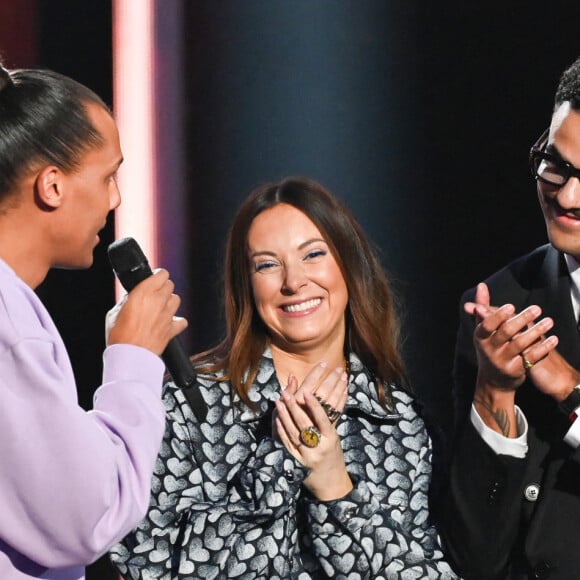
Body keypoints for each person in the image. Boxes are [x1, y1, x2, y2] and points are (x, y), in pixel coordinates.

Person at [110, 176, 458, 579]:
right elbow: (149, 565)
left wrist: (336, 489)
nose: (294, 282)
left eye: (313, 255)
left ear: (349, 264)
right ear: (247, 284)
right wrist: (282, 459)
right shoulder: (192, 406)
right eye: (268, 265)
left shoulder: (399, 419)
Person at [0, 62, 188, 579]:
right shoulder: (9, 324)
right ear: (52, 186)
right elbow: (85, 517)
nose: (116, 199)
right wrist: (132, 363)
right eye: (107, 176)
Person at [442, 56, 580, 579]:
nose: (567, 196)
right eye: (556, 164)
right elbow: (474, 557)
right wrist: (494, 395)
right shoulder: (498, 302)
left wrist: (570, 390)